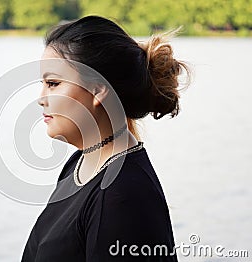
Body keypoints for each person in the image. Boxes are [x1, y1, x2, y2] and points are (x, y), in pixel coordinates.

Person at [22, 15, 190, 261]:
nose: (41, 97)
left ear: (98, 90)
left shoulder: (122, 196)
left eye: (53, 83)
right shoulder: (80, 164)